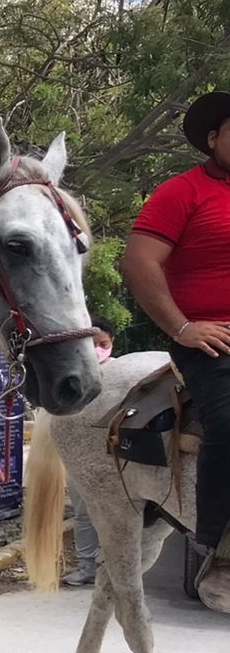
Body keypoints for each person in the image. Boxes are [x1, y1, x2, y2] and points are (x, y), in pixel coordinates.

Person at [121, 88, 230, 612]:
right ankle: (220, 551)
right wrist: (183, 326)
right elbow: (139, 262)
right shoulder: (182, 192)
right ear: (213, 139)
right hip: (214, 339)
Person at [62, 315, 117, 586]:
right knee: (84, 514)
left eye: (103, 343)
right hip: (80, 459)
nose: (97, 349)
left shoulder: (123, 374)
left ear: (112, 343)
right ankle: (87, 566)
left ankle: (113, 566)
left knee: (115, 516)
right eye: (91, 343)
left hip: (114, 459)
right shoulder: (73, 377)